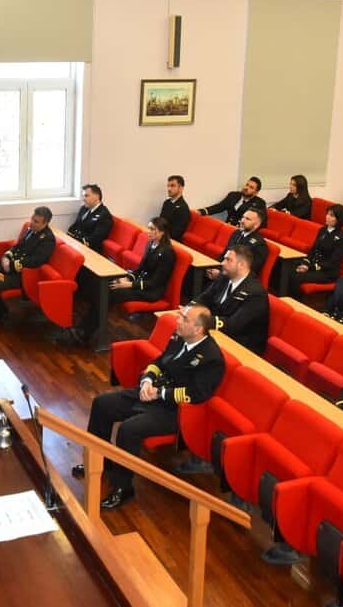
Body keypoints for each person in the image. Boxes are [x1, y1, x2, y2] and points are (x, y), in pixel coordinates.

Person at [72, 305, 226, 510]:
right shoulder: (179, 337)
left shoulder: (212, 358)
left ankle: (123, 488)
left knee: (128, 430)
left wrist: (159, 393)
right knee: (102, 404)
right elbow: (160, 361)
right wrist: (147, 380)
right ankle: (98, 460)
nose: (178, 320)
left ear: (198, 329)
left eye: (184, 319)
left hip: (175, 410)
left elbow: (196, 394)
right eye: (180, 316)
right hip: (153, 392)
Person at [77, 217, 174, 338]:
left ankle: (85, 333)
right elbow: (140, 269)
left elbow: (156, 282)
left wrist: (130, 284)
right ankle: (83, 328)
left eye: (152, 229)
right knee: (105, 286)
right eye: (148, 228)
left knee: (110, 293)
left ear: (162, 232)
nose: (148, 231)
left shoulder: (167, 252)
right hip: (140, 283)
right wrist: (127, 278)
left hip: (150, 291)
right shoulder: (150, 244)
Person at [0, 207, 55, 326]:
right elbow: (17, 246)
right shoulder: (31, 230)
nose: (32, 222)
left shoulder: (48, 239)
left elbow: (36, 261)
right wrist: (6, 257)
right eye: (32, 219)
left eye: (36, 221)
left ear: (45, 223)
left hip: (22, 275)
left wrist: (11, 265)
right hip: (9, 267)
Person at [192, 245, 270, 355]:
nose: (222, 263)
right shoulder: (224, 277)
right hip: (219, 332)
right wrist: (190, 309)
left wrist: (201, 319)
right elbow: (205, 297)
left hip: (241, 345)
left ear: (241, 265)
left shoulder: (256, 294)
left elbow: (234, 325)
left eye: (228, 260)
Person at [289, 204, 343, 287]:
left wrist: (310, 267)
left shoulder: (342, 237)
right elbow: (314, 249)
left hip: (327, 272)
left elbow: (333, 262)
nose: (327, 217)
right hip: (314, 265)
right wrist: (305, 263)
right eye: (327, 214)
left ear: (339, 219)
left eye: (331, 215)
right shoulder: (323, 230)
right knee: (289, 267)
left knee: (297, 276)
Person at [218, 206, 269, 279]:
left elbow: (248, 271)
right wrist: (214, 266)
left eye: (247, 219)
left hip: (234, 278)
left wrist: (220, 274)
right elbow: (225, 253)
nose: (242, 221)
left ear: (256, 225)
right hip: (223, 270)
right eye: (243, 217)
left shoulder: (259, 245)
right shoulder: (236, 233)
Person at [199, 176, 265, 226]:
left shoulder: (259, 204)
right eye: (247, 185)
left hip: (243, 232)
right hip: (228, 226)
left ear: (256, 192)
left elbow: (261, 223)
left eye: (251, 187)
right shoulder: (233, 195)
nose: (246, 188)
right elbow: (219, 207)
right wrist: (201, 211)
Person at [67, 183, 113, 253]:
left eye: (86, 196)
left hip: (89, 250)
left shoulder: (104, 215)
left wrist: (75, 243)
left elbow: (95, 239)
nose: (84, 199)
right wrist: (68, 239)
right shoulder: (84, 208)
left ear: (96, 196)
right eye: (83, 196)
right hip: (77, 245)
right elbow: (75, 226)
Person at [160, 175, 191, 241]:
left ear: (181, 188)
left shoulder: (183, 209)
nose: (169, 189)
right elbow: (160, 222)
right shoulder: (167, 202)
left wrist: (159, 235)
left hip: (170, 241)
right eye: (168, 186)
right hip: (161, 236)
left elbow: (176, 234)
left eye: (172, 186)